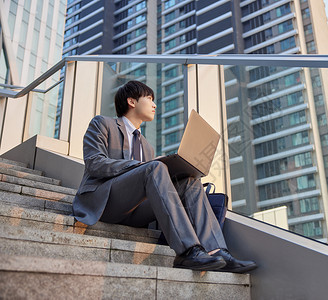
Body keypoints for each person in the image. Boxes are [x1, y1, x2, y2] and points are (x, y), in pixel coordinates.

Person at [72, 80, 256, 273]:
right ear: (132, 101)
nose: (154, 105)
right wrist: (144, 166)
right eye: (149, 99)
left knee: (189, 180)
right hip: (105, 202)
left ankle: (217, 250)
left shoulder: (147, 146)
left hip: (136, 212)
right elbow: (95, 164)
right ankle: (188, 251)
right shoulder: (103, 124)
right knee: (155, 168)